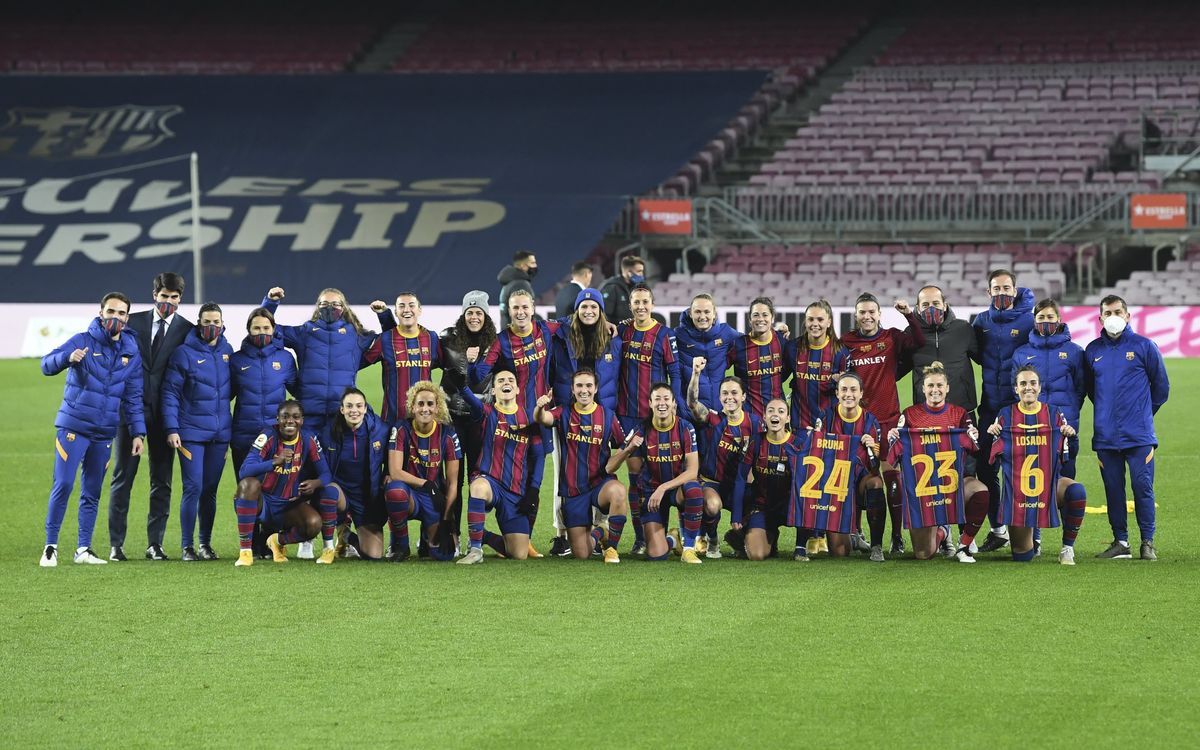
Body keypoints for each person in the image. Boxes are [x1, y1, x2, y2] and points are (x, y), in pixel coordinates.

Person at [40, 293, 146, 567]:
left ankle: (83, 549)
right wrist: (67, 357)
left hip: (104, 432)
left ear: (127, 318)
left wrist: (138, 433)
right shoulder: (82, 341)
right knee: (64, 484)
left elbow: (133, 396)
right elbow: (45, 364)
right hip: (74, 426)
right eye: (111, 311)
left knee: (92, 491)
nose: (115, 317)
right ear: (101, 313)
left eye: (121, 313)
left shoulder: (131, 351)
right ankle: (50, 547)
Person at [108, 272, 192, 562]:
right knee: (123, 478)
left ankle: (154, 544)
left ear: (180, 298)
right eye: (164, 295)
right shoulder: (132, 322)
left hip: (165, 416)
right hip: (129, 412)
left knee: (162, 481)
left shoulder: (187, 330)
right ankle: (116, 544)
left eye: (174, 297)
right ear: (154, 294)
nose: (169, 301)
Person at [470, 288, 560, 557]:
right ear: (508, 311)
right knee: (511, 471)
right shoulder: (502, 341)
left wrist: (610, 324)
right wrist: (473, 365)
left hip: (539, 418)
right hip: (511, 418)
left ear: (532, 308)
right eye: (515, 308)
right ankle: (484, 528)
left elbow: (574, 322)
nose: (520, 312)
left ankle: (525, 538)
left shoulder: (545, 330)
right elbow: (480, 376)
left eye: (524, 307)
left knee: (535, 478)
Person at [1084, 295, 1169, 560]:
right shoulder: (1092, 351)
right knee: (1113, 490)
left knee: (1142, 488)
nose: (1113, 317)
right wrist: (1108, 414)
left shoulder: (1145, 346)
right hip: (1106, 436)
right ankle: (1121, 542)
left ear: (1128, 315)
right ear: (1100, 318)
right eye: (1108, 313)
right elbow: (1092, 391)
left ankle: (1147, 542)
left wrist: (1143, 414)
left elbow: (1161, 388)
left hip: (1139, 435)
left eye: (1118, 312)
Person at [841, 292, 924, 555]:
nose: (867, 316)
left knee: (893, 478)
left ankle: (896, 537)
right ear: (856, 315)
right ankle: (856, 531)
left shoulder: (891, 337)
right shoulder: (846, 342)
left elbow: (919, 341)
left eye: (871, 312)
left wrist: (909, 315)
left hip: (888, 420)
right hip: (857, 422)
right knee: (856, 476)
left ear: (879, 314)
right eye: (862, 312)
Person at [986, 365, 1089, 565]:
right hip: (1018, 496)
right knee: (1023, 557)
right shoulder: (1005, 415)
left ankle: (1067, 548)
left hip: (1048, 487)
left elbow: (1067, 457)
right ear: (1016, 388)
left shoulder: (1054, 413)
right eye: (1023, 383)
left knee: (1076, 491)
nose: (1028, 387)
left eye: (1033, 383)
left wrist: (1071, 437)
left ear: (1040, 387)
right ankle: (1032, 537)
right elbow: (993, 462)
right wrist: (992, 435)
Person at [886, 362, 988, 563]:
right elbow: (895, 457)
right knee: (923, 554)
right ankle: (943, 531)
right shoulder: (909, 415)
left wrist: (973, 435)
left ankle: (964, 546)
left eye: (939, 385)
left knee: (980, 491)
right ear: (923, 388)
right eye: (930, 385)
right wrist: (893, 438)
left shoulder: (960, 414)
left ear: (947, 388)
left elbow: (975, 449)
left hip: (952, 486)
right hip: (923, 491)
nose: (935, 390)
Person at [614, 283, 689, 554]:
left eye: (645, 301)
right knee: (635, 477)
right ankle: (640, 538)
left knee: (669, 472)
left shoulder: (665, 335)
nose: (641, 306)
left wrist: (675, 404)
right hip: (628, 415)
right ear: (630, 305)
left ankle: (681, 534)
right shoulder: (622, 331)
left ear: (653, 304)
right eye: (636, 302)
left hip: (659, 416)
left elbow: (675, 373)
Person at [547, 287, 622, 556]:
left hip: (602, 415)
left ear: (601, 311)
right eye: (584, 307)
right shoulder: (562, 334)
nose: (588, 311)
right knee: (562, 473)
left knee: (601, 471)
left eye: (594, 307)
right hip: (568, 414)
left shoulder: (614, 339)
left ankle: (601, 529)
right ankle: (561, 534)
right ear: (576, 310)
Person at [538, 368, 638, 562]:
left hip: (600, 484)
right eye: (579, 386)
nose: (584, 390)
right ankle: (601, 531)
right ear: (572, 389)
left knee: (618, 491)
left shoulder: (607, 416)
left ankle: (612, 549)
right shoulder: (563, 412)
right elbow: (543, 419)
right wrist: (540, 408)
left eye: (589, 385)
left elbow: (620, 445)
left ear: (596, 388)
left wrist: (627, 450)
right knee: (582, 554)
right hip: (573, 490)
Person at [161, 302, 234, 561]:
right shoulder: (183, 353)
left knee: (210, 490)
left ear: (223, 325)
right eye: (207, 322)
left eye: (216, 322)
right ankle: (187, 546)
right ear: (199, 324)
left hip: (220, 435)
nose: (211, 326)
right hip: (190, 433)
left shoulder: (227, 351)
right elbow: (170, 393)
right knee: (193, 487)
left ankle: (205, 544)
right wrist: (172, 428)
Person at [452, 368, 548, 564]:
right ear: (493, 390)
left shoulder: (530, 418)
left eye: (511, 380)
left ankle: (484, 535)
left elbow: (539, 457)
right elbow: (474, 403)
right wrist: (462, 387)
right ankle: (475, 549)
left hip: (515, 490)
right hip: (491, 482)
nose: (506, 383)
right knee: (478, 487)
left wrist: (533, 490)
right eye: (501, 380)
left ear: (518, 389)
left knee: (518, 554)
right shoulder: (487, 413)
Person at [259, 286, 386, 435]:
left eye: (335, 304)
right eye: (325, 304)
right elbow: (264, 327)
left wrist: (384, 315)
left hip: (341, 415)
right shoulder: (304, 332)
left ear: (343, 308)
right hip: (308, 415)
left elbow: (392, 340)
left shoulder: (355, 335)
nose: (329, 308)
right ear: (318, 307)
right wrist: (271, 302)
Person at [232, 400, 342, 566]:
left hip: (288, 505)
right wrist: (274, 462)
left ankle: (277, 541)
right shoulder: (267, 436)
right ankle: (245, 552)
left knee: (313, 524)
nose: (290, 421)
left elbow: (326, 474)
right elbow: (244, 471)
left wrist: (315, 483)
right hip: (263, 502)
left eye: (295, 417)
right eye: (285, 416)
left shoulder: (309, 439)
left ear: (302, 420)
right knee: (248, 484)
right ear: (278, 419)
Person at [972, 269, 1034, 553]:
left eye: (1006, 288)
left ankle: (1032, 536)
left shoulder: (1029, 320)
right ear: (988, 292)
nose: (1001, 293)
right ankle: (998, 530)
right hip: (989, 408)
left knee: (1022, 472)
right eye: (996, 289)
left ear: (1015, 290)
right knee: (985, 469)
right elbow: (975, 354)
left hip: (1019, 410)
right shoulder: (981, 321)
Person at [229, 307, 298, 558]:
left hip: (274, 437)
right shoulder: (236, 360)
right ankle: (249, 541)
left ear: (273, 330)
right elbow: (223, 396)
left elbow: (298, 392)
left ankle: (266, 540)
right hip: (243, 435)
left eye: (266, 328)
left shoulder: (286, 359)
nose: (262, 332)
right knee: (247, 487)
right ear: (248, 330)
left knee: (272, 488)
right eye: (256, 328)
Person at [438, 291, 498, 557]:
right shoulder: (447, 339)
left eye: (478, 312)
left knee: (477, 478)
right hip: (451, 419)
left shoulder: (496, 343)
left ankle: (476, 538)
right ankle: (453, 536)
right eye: (470, 312)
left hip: (479, 421)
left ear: (486, 316)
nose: (474, 317)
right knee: (453, 480)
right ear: (463, 314)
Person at [384, 381, 463, 562]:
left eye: (430, 404)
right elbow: (395, 472)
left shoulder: (448, 434)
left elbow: (453, 483)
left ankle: (427, 536)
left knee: (443, 556)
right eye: (420, 404)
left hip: (433, 499)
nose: (425, 409)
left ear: (437, 408)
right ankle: (400, 545)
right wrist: (426, 484)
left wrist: (446, 520)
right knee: (395, 492)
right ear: (412, 407)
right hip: (409, 493)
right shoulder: (401, 429)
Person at [688, 363, 760, 559]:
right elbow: (692, 403)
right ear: (719, 397)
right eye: (725, 393)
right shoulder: (713, 419)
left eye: (734, 393)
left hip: (739, 485)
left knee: (759, 504)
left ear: (743, 396)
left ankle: (743, 538)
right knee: (712, 505)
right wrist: (696, 374)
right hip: (711, 483)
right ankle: (712, 539)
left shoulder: (755, 423)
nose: (730, 397)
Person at [812, 373, 886, 561]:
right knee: (839, 553)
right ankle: (851, 536)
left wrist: (871, 448)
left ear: (861, 393)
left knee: (876, 483)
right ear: (837, 393)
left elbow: (875, 467)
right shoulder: (826, 418)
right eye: (844, 389)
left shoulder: (870, 421)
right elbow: (814, 457)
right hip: (834, 487)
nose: (848, 394)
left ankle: (876, 546)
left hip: (859, 483)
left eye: (853, 390)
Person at [1011, 299, 1085, 479]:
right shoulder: (1021, 353)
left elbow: (1081, 387)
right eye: (1041, 317)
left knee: (1065, 476)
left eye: (1050, 317)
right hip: (1032, 421)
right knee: (1035, 475)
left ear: (1059, 319)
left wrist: (1070, 409)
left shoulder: (1075, 352)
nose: (1046, 321)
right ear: (1034, 320)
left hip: (1065, 422)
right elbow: (1015, 388)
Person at [635, 383, 705, 564]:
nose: (662, 403)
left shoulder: (686, 427)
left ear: (674, 403)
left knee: (694, 489)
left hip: (677, 490)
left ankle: (689, 549)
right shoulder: (641, 430)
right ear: (650, 403)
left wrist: (663, 487)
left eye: (666, 399)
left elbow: (693, 471)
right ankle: (673, 539)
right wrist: (627, 449)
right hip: (652, 493)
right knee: (656, 555)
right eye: (657, 399)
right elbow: (626, 469)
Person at [320, 388, 391, 560]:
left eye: (359, 406)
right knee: (329, 491)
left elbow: (392, 457)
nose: (354, 410)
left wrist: (388, 473)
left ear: (365, 408)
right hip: (340, 492)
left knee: (373, 555)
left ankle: (346, 535)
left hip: (365, 497)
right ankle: (329, 544)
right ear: (342, 409)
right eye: (349, 406)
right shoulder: (329, 431)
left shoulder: (381, 430)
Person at [731, 399, 805, 561]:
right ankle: (767, 535)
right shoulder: (755, 441)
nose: (775, 415)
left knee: (806, 501)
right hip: (762, 506)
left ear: (788, 418)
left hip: (790, 506)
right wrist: (736, 515)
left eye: (780, 411)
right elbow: (741, 477)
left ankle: (801, 547)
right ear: (764, 417)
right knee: (756, 555)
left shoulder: (799, 444)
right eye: (771, 411)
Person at [362, 291, 446, 426]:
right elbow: (356, 364)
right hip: (392, 421)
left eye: (411, 305)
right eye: (401, 306)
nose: (407, 310)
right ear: (396, 312)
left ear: (419, 310)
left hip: (424, 421)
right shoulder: (385, 339)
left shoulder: (431, 338)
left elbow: (450, 367)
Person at [904, 285, 979, 412]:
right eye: (925, 305)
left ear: (944, 305)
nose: (931, 308)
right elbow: (897, 369)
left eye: (936, 303)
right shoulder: (911, 333)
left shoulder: (963, 328)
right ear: (918, 308)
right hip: (925, 410)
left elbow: (984, 359)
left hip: (963, 409)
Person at [727, 296, 791, 418]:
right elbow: (717, 370)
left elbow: (789, 371)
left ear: (772, 318)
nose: (760, 319)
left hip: (778, 418)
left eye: (765, 315)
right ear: (749, 319)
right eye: (756, 315)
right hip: (749, 419)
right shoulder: (738, 345)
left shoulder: (782, 342)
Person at [674, 293, 738, 413]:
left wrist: (777, 335)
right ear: (690, 313)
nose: (702, 316)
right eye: (697, 312)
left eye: (707, 312)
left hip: (718, 411)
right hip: (689, 412)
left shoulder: (726, 333)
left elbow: (750, 341)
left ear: (714, 314)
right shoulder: (678, 336)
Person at [599, 254, 646, 323]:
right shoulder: (612, 288)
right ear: (629, 273)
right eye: (639, 271)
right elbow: (603, 316)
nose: (642, 274)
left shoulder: (636, 288)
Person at [497, 250, 538, 329]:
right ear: (523, 266)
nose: (535, 266)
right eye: (532, 263)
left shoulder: (510, 282)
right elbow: (522, 319)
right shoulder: (521, 284)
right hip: (518, 335)